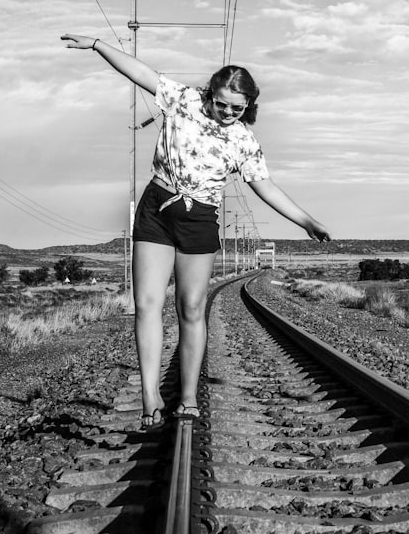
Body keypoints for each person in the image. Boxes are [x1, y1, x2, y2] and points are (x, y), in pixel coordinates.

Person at [61, 34, 331, 429]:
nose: (226, 112)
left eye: (236, 108)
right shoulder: (183, 100)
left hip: (200, 219)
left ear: (248, 107)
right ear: (210, 92)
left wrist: (308, 221)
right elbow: (140, 73)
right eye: (220, 103)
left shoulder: (244, 142)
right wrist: (99, 45)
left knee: (190, 308)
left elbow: (266, 187)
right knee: (148, 304)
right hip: (157, 209)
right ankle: (151, 395)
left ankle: (187, 395)